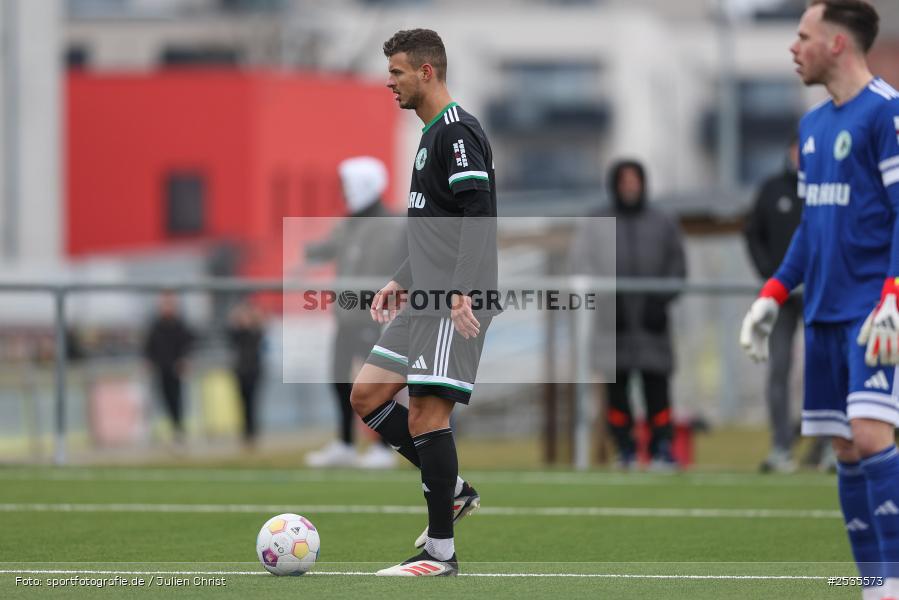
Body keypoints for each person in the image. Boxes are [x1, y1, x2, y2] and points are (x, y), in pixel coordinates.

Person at [739, 2, 899, 597]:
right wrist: (774, 292)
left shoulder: (887, 113)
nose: (792, 46)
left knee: (870, 433)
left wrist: (893, 296)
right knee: (842, 445)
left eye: (802, 35)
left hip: (873, 314)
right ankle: (874, 586)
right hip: (824, 313)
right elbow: (811, 226)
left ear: (836, 44)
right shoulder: (811, 127)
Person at [348, 29, 499, 576]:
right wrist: (403, 278)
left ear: (426, 72)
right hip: (426, 298)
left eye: (397, 73)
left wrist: (460, 291)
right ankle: (452, 490)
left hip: (451, 303)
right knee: (367, 395)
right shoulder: (430, 134)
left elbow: (477, 216)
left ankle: (440, 553)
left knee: (427, 417)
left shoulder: (457, 133)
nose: (390, 82)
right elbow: (440, 228)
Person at [573, 159, 687, 471]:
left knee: (657, 388)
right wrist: (608, 301)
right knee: (617, 391)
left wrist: (660, 299)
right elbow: (582, 265)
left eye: (634, 180)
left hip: (653, 326)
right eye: (623, 181)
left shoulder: (663, 222)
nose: (629, 187)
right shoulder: (597, 221)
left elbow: (677, 266)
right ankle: (624, 449)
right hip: (614, 325)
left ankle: (662, 447)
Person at [304, 156, 402, 469]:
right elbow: (326, 249)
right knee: (339, 378)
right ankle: (345, 443)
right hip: (346, 316)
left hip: (372, 316)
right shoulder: (349, 223)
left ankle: (384, 447)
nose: (344, 192)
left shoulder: (388, 224)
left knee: (375, 383)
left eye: (348, 185)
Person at [743, 139, 804, 473]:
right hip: (781, 297)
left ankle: (831, 445)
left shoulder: (830, 186)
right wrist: (772, 280)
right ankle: (782, 447)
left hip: (824, 294)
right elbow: (753, 234)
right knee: (777, 368)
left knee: (826, 369)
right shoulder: (771, 190)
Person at [143, 292, 194, 444]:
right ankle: (164, 431)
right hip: (161, 368)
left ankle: (178, 430)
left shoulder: (180, 325)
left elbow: (188, 345)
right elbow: (149, 347)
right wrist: (149, 361)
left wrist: (185, 360)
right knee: (162, 399)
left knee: (177, 399)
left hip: (175, 369)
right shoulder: (155, 325)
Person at [226, 301, 265, 448]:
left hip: (253, 372)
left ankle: (252, 433)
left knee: (253, 403)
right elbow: (229, 334)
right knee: (242, 403)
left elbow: (260, 330)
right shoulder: (238, 334)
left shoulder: (255, 333)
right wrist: (236, 319)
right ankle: (245, 433)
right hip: (241, 372)